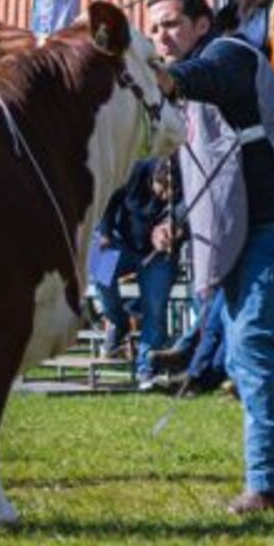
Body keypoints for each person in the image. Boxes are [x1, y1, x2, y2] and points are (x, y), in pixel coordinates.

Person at [148, 0, 274, 515]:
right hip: (241, 235)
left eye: (172, 23)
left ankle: (269, 485)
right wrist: (173, 222)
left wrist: (166, 77)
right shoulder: (185, 89)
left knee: (251, 343)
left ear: (203, 23)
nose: (161, 35)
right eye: (153, 29)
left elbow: (202, 78)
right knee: (245, 350)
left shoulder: (228, 53)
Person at [90, 157, 182, 388]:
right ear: (153, 179)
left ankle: (146, 368)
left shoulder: (184, 183)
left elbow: (187, 212)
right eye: (163, 190)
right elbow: (107, 200)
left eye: (172, 192)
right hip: (122, 242)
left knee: (155, 306)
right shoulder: (133, 172)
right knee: (99, 265)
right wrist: (104, 232)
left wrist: (175, 230)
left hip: (157, 254)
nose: (165, 197)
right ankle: (118, 321)